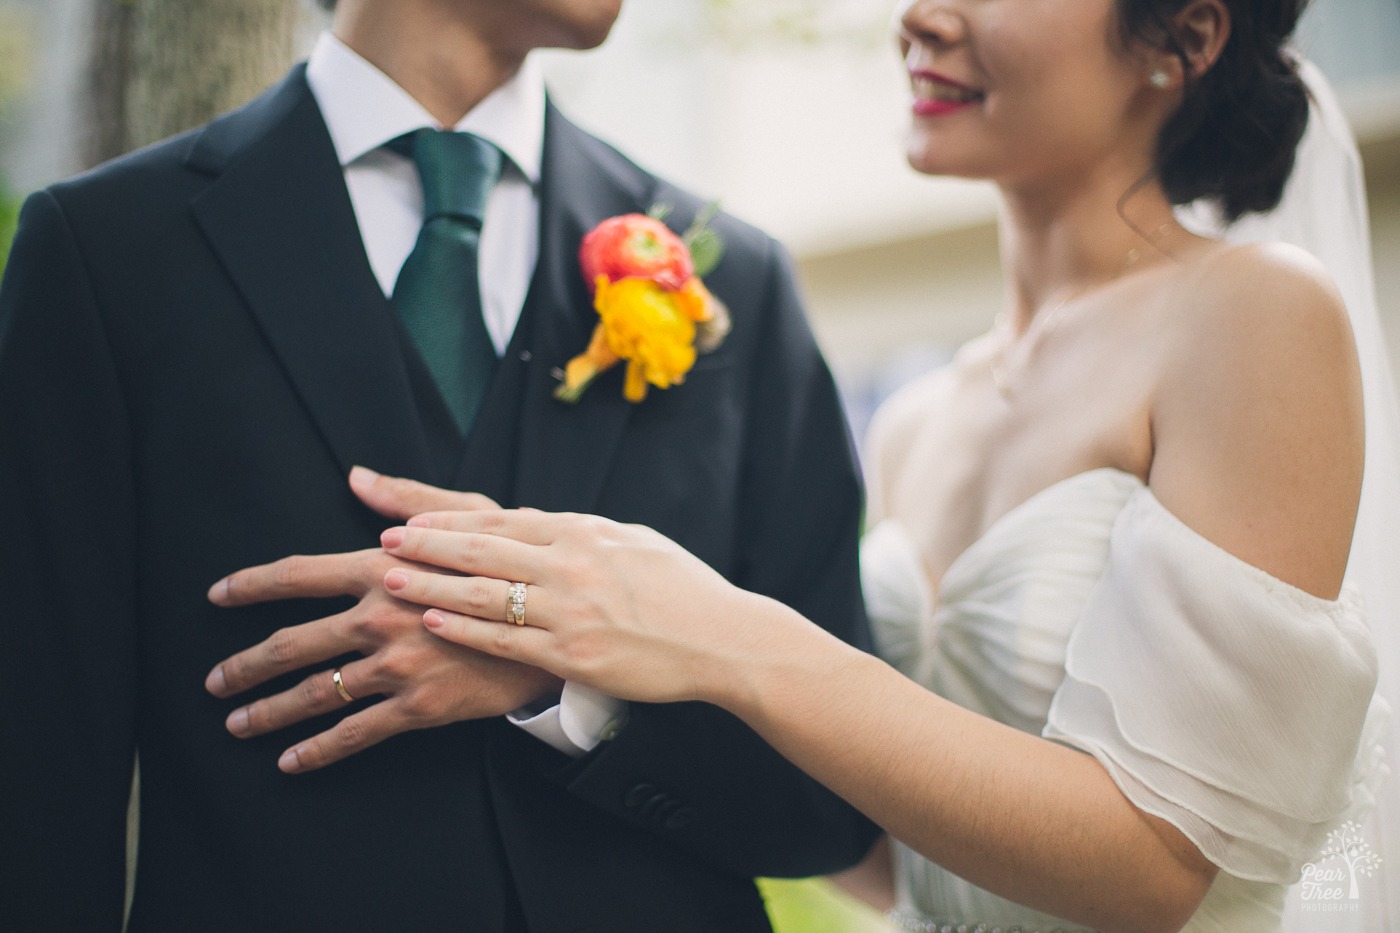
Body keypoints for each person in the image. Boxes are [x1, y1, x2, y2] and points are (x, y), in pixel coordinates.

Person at [360, 0, 1396, 930]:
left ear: (1184, 36)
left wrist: (717, 631)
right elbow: (885, 852)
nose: (919, 17)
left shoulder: (1255, 313)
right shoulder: (914, 421)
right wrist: (572, 673)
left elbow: (1156, 867)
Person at [0, 0, 878, 929]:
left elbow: (834, 805)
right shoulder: (108, 254)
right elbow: (37, 791)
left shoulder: (734, 280)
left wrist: (570, 690)